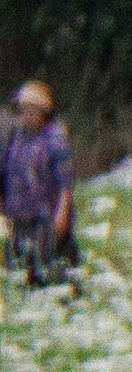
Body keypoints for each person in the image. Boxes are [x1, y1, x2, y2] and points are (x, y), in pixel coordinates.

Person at [0, 84, 73, 286]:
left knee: (45, 268)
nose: (26, 115)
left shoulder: (55, 137)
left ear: (43, 112)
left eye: (31, 111)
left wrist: (62, 212)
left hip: (45, 216)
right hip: (16, 214)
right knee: (17, 268)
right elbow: (4, 171)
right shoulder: (15, 136)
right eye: (23, 110)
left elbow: (65, 180)